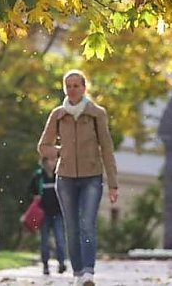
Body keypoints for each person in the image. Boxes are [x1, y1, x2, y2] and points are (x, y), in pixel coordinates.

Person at [37, 70, 118, 286]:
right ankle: (78, 272)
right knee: (71, 227)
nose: (72, 89)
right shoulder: (57, 114)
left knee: (87, 224)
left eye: (76, 85)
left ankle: (89, 272)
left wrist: (113, 184)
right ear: (64, 89)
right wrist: (60, 151)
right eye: (68, 86)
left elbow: (107, 149)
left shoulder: (96, 114)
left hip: (92, 176)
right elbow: (42, 147)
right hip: (65, 179)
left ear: (84, 88)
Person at [27, 156, 68, 276]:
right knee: (44, 241)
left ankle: (61, 263)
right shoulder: (38, 176)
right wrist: (34, 197)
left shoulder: (59, 176)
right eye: (50, 160)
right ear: (44, 162)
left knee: (60, 239)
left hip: (58, 213)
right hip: (43, 214)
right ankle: (45, 265)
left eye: (54, 160)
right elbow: (29, 191)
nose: (52, 163)